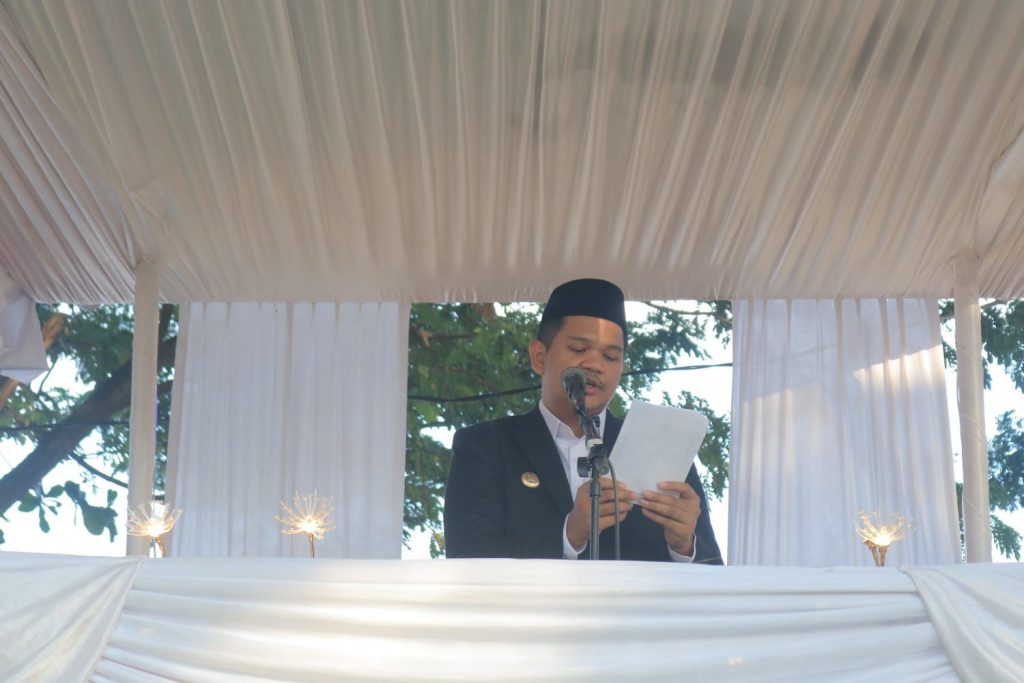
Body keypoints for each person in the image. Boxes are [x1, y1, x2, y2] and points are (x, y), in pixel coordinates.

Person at [444, 278, 722, 563]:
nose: (595, 365)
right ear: (539, 357)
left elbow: (715, 573)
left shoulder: (662, 451)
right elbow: (467, 558)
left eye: (610, 356)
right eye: (578, 350)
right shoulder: (487, 445)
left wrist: (684, 545)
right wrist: (569, 533)